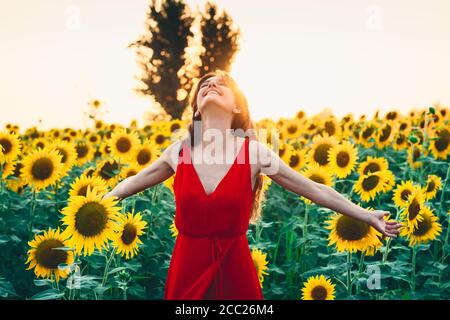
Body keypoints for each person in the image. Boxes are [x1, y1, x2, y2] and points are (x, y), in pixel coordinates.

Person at [103, 69, 402, 300]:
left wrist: (365, 214)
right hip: (187, 269)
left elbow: (315, 189)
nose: (210, 85)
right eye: (204, 85)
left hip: (235, 268)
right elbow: (133, 182)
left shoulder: (255, 153)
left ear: (236, 108)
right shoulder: (178, 152)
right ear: (196, 108)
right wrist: (101, 203)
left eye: (221, 84)